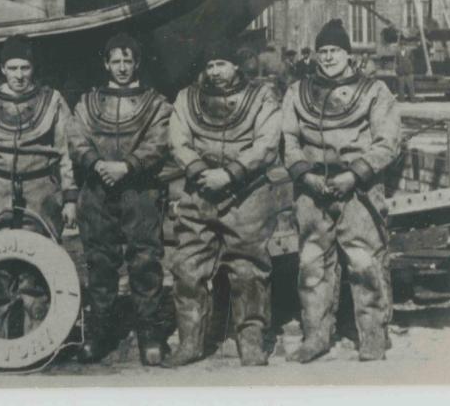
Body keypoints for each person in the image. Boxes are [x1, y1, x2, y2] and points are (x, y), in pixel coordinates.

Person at [283, 19, 401, 363]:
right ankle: (316, 336)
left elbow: (387, 141)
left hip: (357, 189)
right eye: (323, 51)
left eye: (335, 50)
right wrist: (304, 174)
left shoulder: (374, 91)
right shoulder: (297, 91)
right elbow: (288, 138)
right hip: (312, 188)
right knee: (312, 263)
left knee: (364, 260)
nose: (328, 57)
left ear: (348, 54)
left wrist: (355, 174)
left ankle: (373, 336)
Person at [0, 34, 82, 338]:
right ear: (3, 69)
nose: (20, 75)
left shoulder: (52, 100)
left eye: (25, 67)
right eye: (13, 68)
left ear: (33, 68)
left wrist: (69, 198)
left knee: (38, 263)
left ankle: (38, 336)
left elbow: (66, 151)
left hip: (40, 189)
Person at [166, 38, 282, 367]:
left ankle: (251, 340)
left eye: (222, 64)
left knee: (248, 270)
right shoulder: (187, 98)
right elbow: (178, 139)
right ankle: (190, 341)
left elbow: (267, 142)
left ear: (236, 65)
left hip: (247, 192)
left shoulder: (262, 97)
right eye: (210, 65)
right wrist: (202, 171)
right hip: (199, 192)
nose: (215, 71)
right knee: (188, 269)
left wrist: (230, 173)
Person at [71, 32, 173, 365]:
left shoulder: (156, 102)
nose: (122, 67)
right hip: (97, 190)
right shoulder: (88, 102)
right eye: (115, 60)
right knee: (100, 262)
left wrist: (127, 166)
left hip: (139, 190)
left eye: (128, 60)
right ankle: (100, 332)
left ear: (137, 62)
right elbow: (76, 137)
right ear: (105, 64)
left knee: (144, 261)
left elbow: (159, 142)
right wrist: (96, 163)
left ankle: (150, 333)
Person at [395, 37, 417, 102]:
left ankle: (412, 99)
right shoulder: (397, 53)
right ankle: (401, 99)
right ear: (400, 46)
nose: (403, 47)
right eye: (401, 45)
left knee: (411, 86)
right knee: (401, 87)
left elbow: (412, 60)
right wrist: (398, 70)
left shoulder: (409, 52)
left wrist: (409, 67)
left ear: (406, 46)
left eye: (404, 45)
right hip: (401, 72)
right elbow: (397, 61)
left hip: (408, 71)